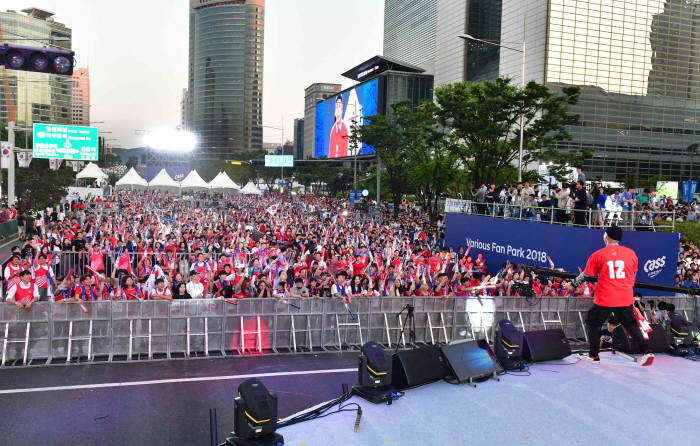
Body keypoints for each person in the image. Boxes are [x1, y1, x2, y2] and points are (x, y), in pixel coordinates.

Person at [569, 226, 654, 365]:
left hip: (606, 297)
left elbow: (587, 275)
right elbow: (632, 274)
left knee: (593, 322)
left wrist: (572, 284)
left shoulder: (598, 254)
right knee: (631, 325)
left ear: (606, 237)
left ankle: (594, 355)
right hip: (625, 296)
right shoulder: (631, 253)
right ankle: (647, 350)